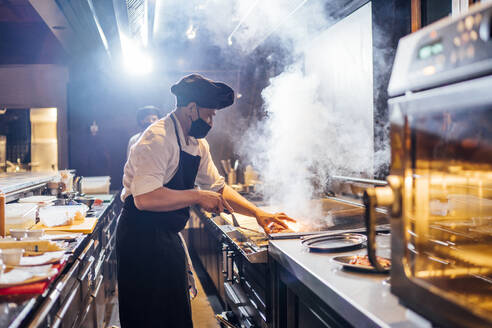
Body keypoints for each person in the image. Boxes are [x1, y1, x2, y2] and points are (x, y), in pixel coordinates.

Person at [116, 73, 295, 328]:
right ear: (191, 109)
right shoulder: (157, 138)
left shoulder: (197, 144)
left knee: (175, 313)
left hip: (167, 235)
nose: (211, 122)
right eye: (209, 114)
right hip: (140, 239)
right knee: (148, 316)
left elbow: (218, 187)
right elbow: (144, 198)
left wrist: (257, 214)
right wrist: (198, 196)